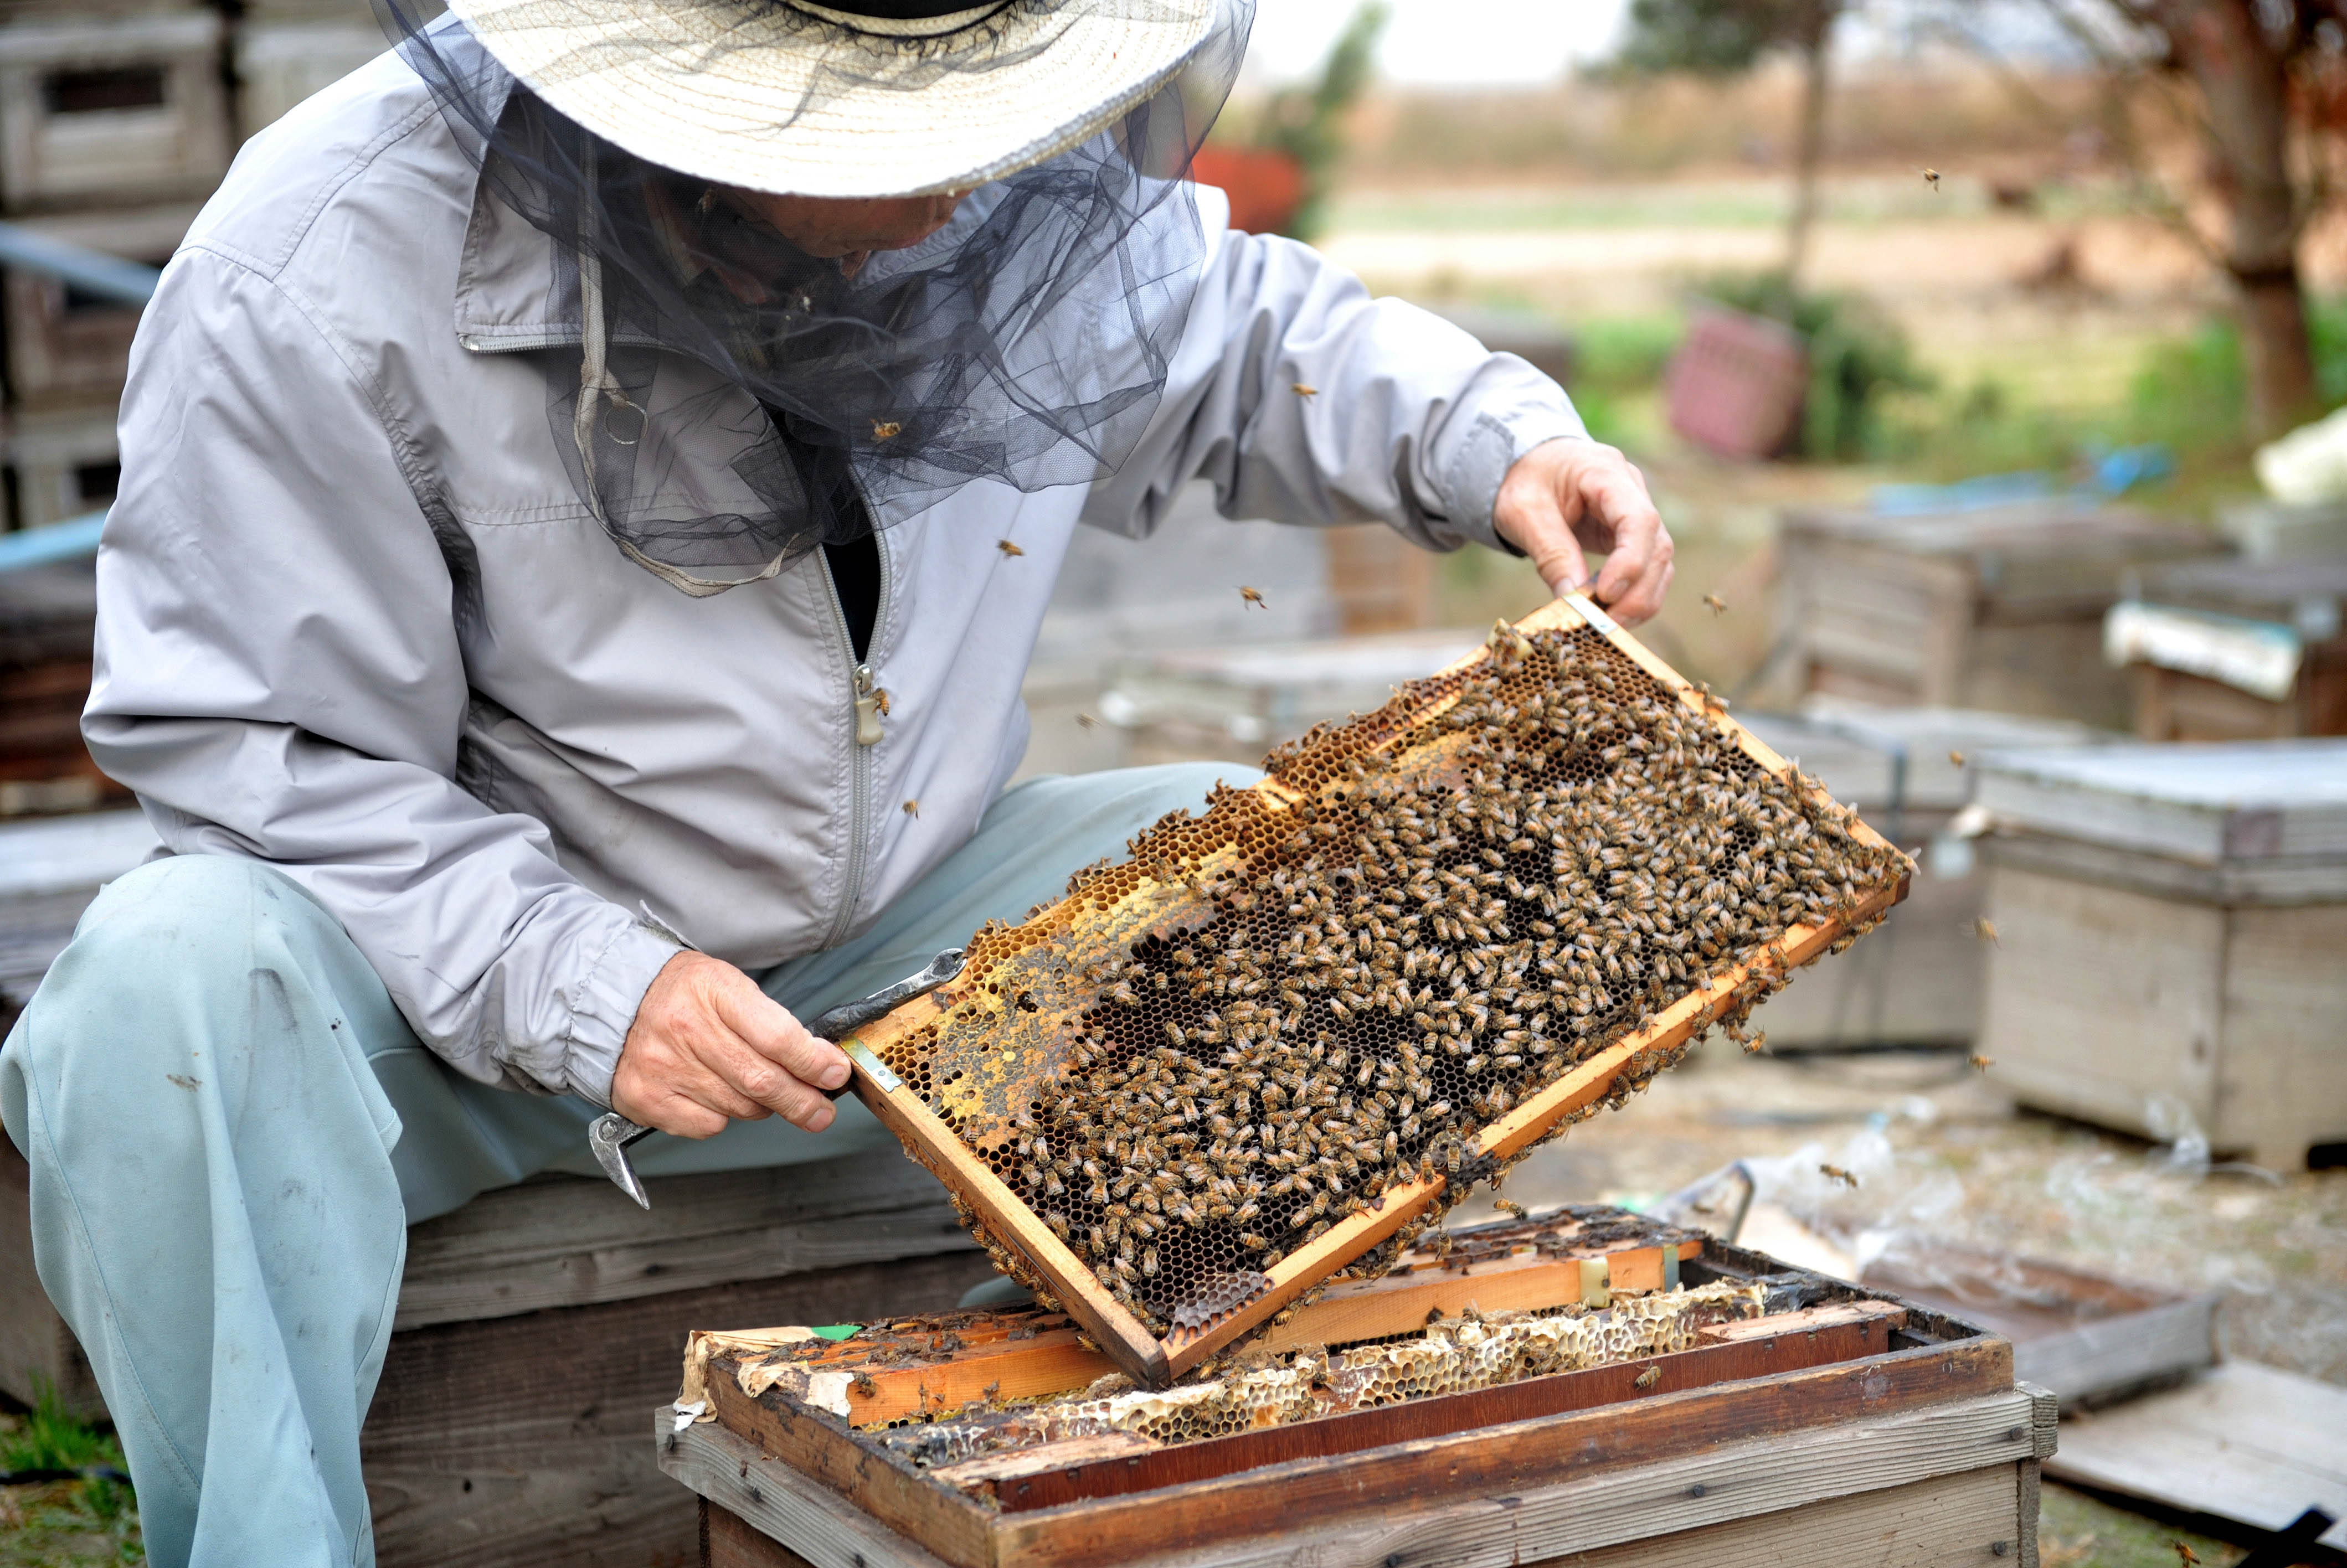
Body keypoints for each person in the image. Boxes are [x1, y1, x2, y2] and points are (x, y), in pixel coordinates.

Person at [0, 0, 1672, 1561]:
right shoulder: (316, 263)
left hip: (891, 970)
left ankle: (1194, 1487)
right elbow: (257, 750)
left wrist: (1495, 441)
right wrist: (587, 981)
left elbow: (1239, 341)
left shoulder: (1003, 195)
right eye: (894, 133)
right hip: (460, 1028)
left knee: (1275, 880)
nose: (960, 178)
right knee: (162, 1000)